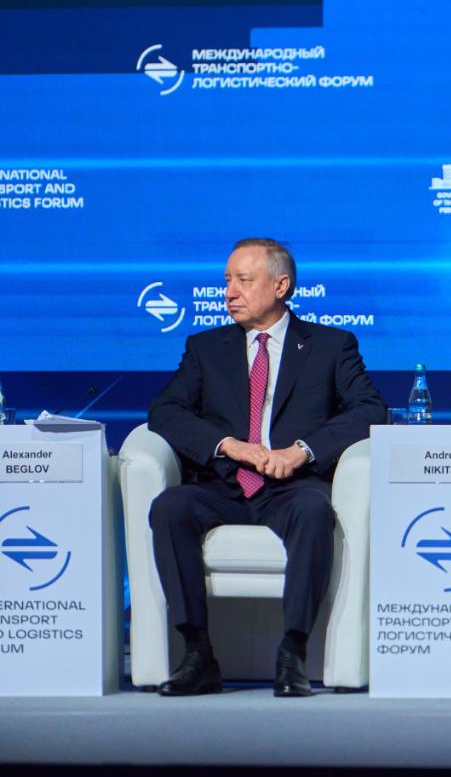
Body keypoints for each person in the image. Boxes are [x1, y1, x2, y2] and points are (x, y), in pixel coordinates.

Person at [148, 238, 387, 697]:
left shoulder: (330, 345)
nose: (229, 293)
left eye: (243, 280)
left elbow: (370, 409)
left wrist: (302, 450)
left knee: (314, 511)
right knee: (169, 507)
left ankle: (292, 653)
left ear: (281, 286)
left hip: (292, 486)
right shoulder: (206, 348)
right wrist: (229, 446)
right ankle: (197, 653)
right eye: (227, 281)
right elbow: (166, 410)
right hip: (223, 484)